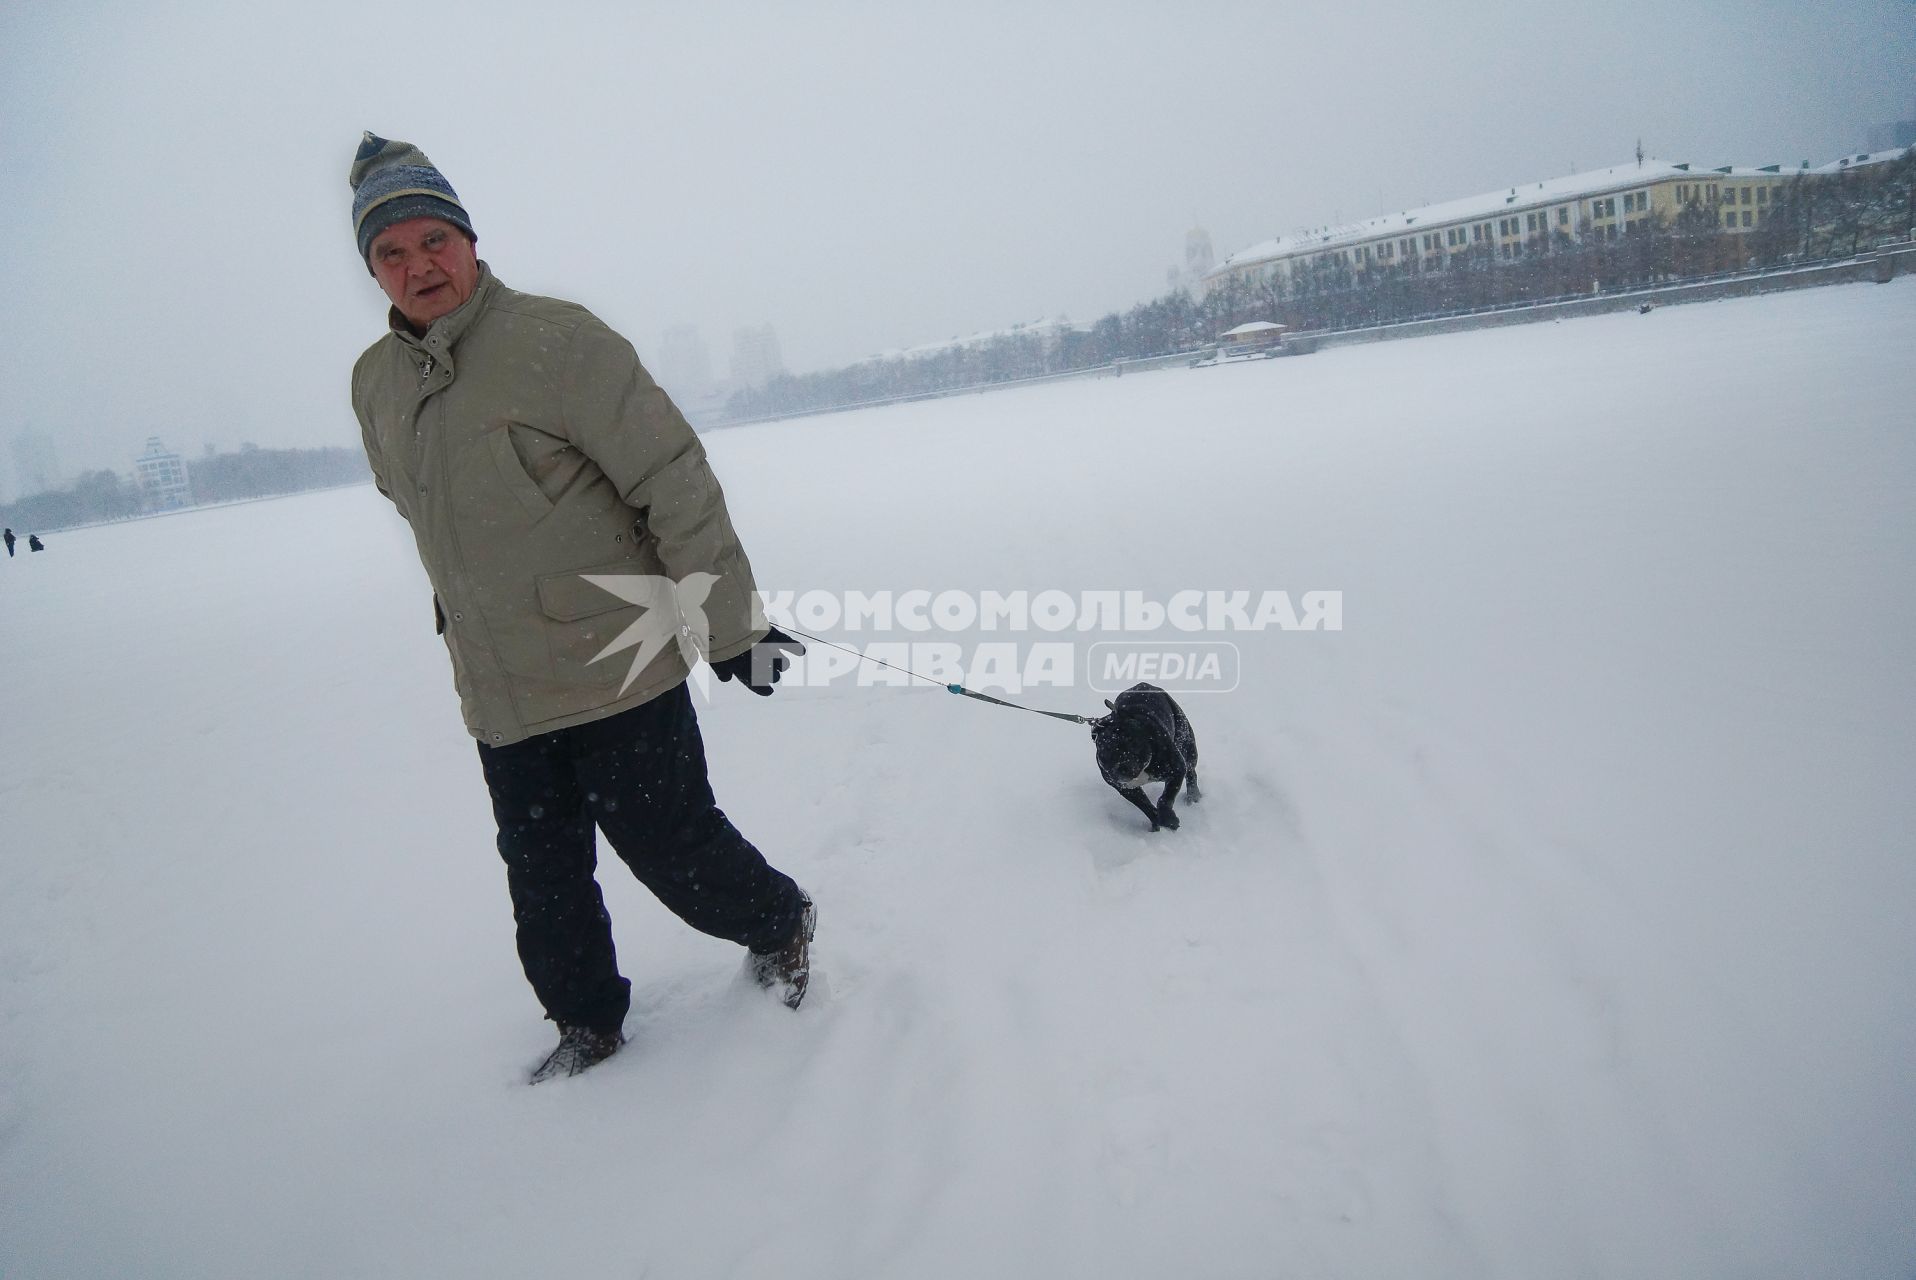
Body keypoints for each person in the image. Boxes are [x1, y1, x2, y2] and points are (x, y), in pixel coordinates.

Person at [346, 133, 813, 1084]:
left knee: (674, 849)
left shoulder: (559, 341)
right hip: (499, 691)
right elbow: (418, 507)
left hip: (617, 667)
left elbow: (671, 479)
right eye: (389, 254)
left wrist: (732, 626)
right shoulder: (375, 383)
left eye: (433, 240)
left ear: (470, 241)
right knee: (543, 880)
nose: (416, 266)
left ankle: (779, 922)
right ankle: (587, 1022)